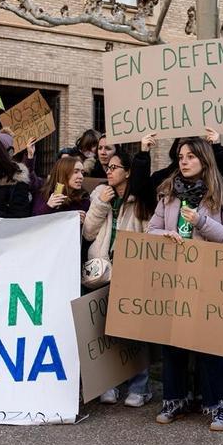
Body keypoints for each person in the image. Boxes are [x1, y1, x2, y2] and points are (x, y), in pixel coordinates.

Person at [147, 137, 223, 432]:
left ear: (204, 160)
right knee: (173, 341)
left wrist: (202, 222)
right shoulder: (167, 193)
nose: (184, 161)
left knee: (210, 343)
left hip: (211, 280)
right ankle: (175, 397)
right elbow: (151, 229)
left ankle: (222, 403)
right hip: (174, 278)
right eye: (180, 156)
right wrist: (163, 236)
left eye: (190, 156)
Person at [83, 141, 156, 406]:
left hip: (131, 271)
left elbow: (150, 234)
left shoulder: (142, 198)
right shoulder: (101, 193)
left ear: (127, 172)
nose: (110, 171)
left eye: (115, 167)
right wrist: (100, 205)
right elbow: (88, 232)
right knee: (106, 331)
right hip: (103, 270)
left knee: (134, 331)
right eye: (108, 167)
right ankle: (109, 385)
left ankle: (139, 387)